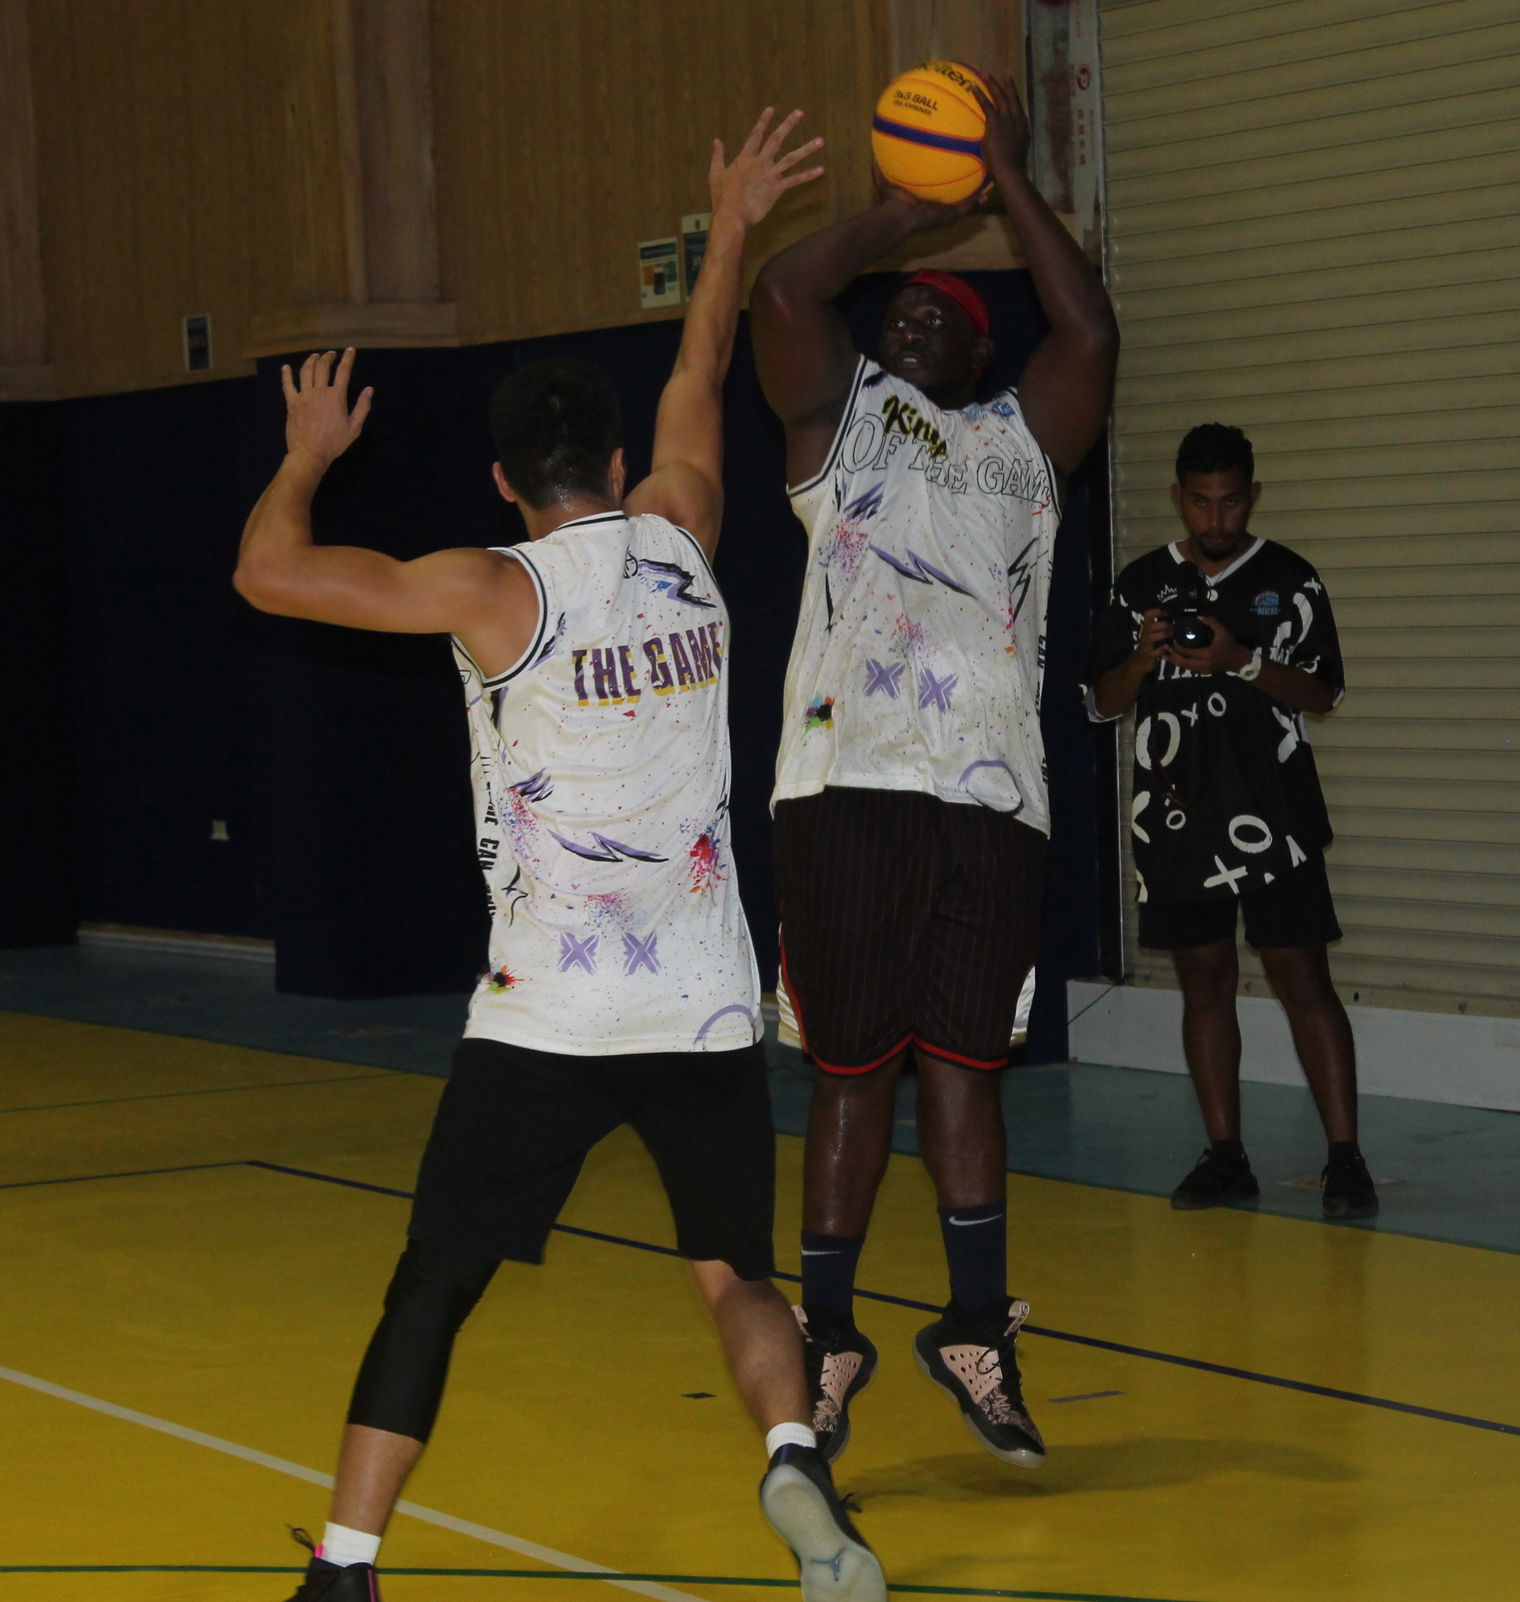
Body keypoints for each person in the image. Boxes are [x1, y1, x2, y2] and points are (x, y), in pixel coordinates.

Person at [236, 112, 888, 1602]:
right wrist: (724, 224)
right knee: (736, 1271)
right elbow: (701, 369)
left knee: (434, 1283)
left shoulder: (489, 589)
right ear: (607, 459)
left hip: (549, 1011)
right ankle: (792, 1449)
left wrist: (306, 456)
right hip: (705, 998)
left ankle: (345, 1567)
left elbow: (268, 571)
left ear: (501, 480)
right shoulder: (689, 530)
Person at [748, 67, 1118, 1469]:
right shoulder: (836, 430)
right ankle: (828, 1337)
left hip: (993, 794)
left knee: (966, 1066)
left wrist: (1006, 178)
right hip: (843, 791)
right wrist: (907, 207)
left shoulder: (1028, 443)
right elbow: (787, 296)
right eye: (895, 314)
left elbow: (1088, 324)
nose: (907, 319)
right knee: (853, 1071)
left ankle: (974, 1325)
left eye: (935, 318)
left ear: (976, 356)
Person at [1085, 422, 1377, 1221]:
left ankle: (1345, 1159)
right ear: (1179, 499)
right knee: (1204, 985)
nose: (1216, 520)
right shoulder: (1138, 584)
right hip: (1175, 821)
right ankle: (1225, 1156)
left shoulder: (1293, 579)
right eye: (1201, 503)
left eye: (1231, 502)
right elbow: (1101, 703)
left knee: (1302, 981)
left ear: (1253, 495)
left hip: (1274, 817)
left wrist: (1239, 661)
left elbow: (1325, 695)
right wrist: (1143, 661)